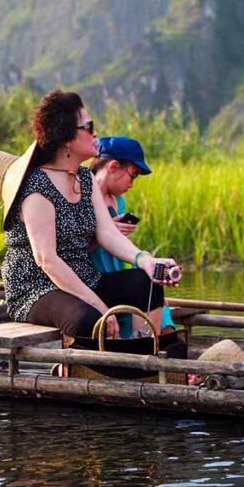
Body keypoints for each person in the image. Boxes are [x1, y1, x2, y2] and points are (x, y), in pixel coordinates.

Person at [0, 90, 179, 339]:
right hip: (38, 288)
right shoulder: (36, 188)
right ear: (65, 138)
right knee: (91, 319)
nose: (95, 133)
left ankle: (142, 352)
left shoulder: (85, 178)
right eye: (88, 126)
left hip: (84, 278)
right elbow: (47, 260)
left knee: (146, 283)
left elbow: (106, 233)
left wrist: (146, 260)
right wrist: (99, 305)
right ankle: (85, 370)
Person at [88, 136, 176, 337]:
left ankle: (153, 355)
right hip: (94, 278)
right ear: (113, 166)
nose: (132, 184)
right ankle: (140, 353)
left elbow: (122, 246)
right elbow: (72, 247)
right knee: (147, 289)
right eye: (132, 175)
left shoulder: (118, 202)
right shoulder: (82, 194)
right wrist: (106, 232)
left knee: (164, 317)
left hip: (120, 273)